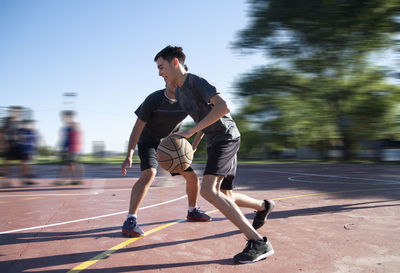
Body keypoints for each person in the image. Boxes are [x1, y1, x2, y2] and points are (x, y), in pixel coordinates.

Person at [154, 45, 275, 264]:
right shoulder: (180, 93)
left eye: (162, 67)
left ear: (175, 63)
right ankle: (263, 206)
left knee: (208, 191)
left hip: (225, 137)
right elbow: (202, 117)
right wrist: (195, 142)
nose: (160, 73)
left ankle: (258, 242)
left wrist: (191, 132)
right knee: (224, 195)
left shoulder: (196, 82)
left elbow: (222, 107)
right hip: (215, 139)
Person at [121, 82, 211, 238]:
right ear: (166, 80)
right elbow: (137, 128)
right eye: (170, 79)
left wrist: (194, 147)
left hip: (171, 145)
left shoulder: (188, 102)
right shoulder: (154, 99)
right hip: (148, 142)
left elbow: (204, 123)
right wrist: (129, 153)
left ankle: (192, 211)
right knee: (149, 174)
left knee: (192, 177)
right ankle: (130, 220)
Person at [54, 110, 84, 185]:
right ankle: (74, 180)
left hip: (72, 148)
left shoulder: (75, 125)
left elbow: (77, 135)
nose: (63, 118)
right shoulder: (64, 128)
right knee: (70, 164)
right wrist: (58, 148)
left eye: (65, 117)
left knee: (67, 164)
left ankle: (65, 180)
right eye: (63, 117)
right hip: (66, 148)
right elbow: (62, 139)